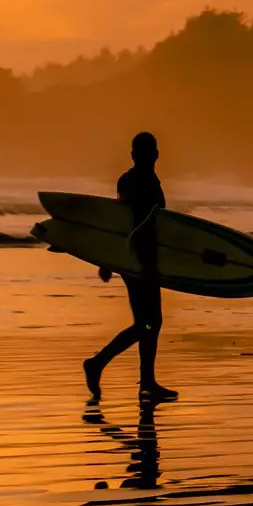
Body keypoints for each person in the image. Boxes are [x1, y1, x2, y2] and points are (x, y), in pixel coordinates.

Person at [84, 131, 179, 404]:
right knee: (147, 323)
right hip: (137, 259)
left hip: (144, 258)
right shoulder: (138, 181)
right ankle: (98, 363)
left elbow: (127, 220)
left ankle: (145, 381)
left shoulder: (138, 179)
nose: (149, 157)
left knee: (150, 322)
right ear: (150, 155)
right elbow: (121, 219)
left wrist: (108, 259)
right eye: (148, 152)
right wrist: (107, 259)